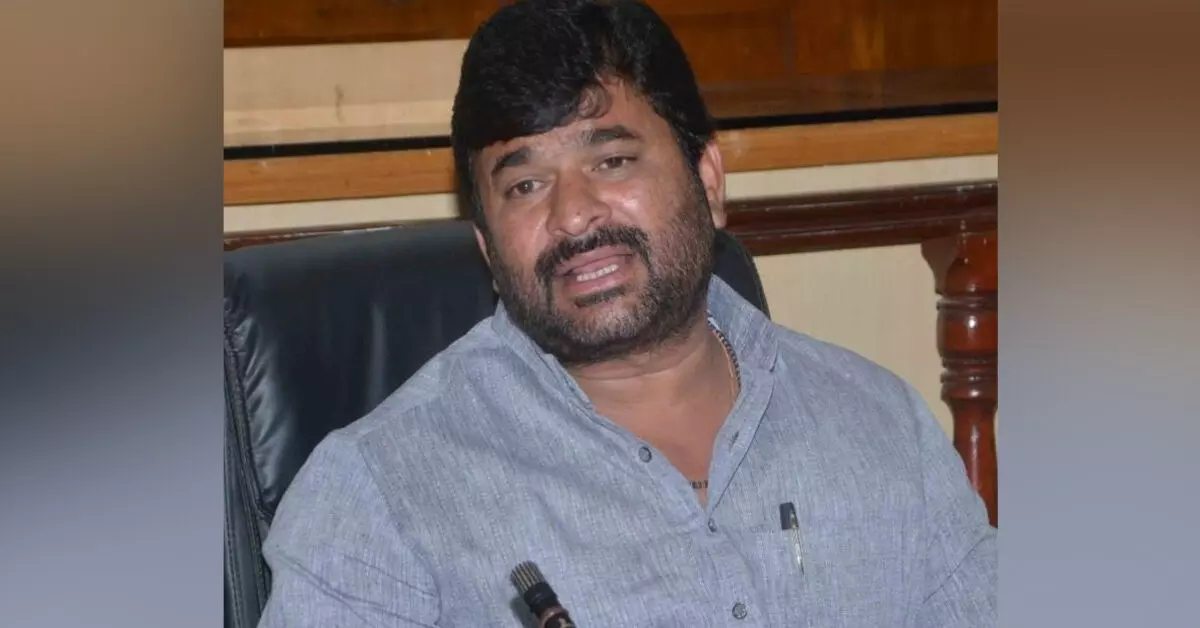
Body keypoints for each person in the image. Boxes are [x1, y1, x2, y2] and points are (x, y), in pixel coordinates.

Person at [257, 0, 997, 626]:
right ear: (486, 245)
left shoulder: (880, 427)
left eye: (612, 161)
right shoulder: (380, 497)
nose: (574, 214)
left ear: (709, 180)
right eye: (525, 186)